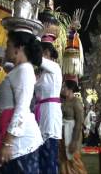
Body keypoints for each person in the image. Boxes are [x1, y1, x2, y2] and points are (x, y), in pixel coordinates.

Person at [0, 30, 43, 173]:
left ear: (19, 48)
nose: (6, 49)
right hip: (12, 136)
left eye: (8, 45)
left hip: (20, 143)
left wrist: (8, 143)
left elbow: (21, 109)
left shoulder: (25, 70)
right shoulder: (18, 70)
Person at [35, 40, 63, 173]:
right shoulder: (41, 74)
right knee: (40, 156)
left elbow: (36, 58)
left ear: (46, 53)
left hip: (50, 114)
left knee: (49, 155)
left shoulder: (54, 67)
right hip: (40, 113)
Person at [59, 80, 87, 174]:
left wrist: (74, 141)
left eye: (64, 87)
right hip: (63, 134)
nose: (62, 89)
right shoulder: (63, 101)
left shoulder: (76, 102)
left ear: (70, 89)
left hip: (72, 134)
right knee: (63, 160)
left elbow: (79, 122)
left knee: (74, 160)